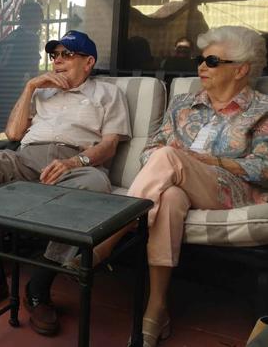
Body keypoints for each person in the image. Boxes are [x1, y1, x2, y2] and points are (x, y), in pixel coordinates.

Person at [92, 25, 268, 347]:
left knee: (170, 156)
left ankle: (106, 239)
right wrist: (172, 164)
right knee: (170, 197)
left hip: (229, 190)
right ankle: (155, 311)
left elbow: (263, 167)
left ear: (241, 69)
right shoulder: (183, 104)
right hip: (174, 185)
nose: (201, 66)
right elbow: (151, 150)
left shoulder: (262, 110)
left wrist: (204, 162)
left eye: (212, 61)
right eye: (201, 60)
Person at [0, 30, 132, 336]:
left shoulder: (108, 94)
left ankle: (38, 288)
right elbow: (13, 135)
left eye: (67, 55)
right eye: (55, 56)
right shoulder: (42, 91)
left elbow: (109, 146)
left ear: (88, 62)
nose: (58, 62)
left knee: (95, 187)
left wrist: (73, 162)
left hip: (75, 163)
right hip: (26, 158)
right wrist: (29, 87)